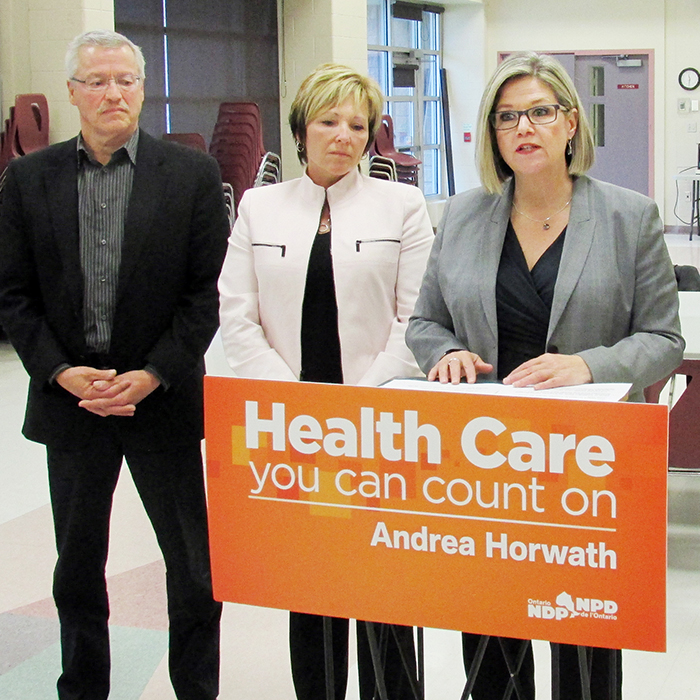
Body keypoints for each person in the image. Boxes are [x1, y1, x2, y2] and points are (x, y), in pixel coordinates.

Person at [406, 51, 684, 700]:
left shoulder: (628, 216)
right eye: (507, 117)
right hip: (490, 463)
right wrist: (443, 352)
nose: (523, 127)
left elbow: (665, 340)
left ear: (569, 123)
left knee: (585, 641)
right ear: (493, 133)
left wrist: (589, 364)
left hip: (587, 465)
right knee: (492, 635)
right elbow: (425, 323)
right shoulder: (463, 217)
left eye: (539, 111)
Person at [0, 30, 229, 700]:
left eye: (125, 80)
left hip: (163, 396)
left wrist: (155, 371)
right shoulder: (28, 179)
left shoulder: (191, 175)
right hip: (70, 401)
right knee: (76, 567)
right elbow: (12, 295)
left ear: (142, 87)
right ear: (71, 92)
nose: (112, 93)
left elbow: (204, 297)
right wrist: (58, 371)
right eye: (96, 81)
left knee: (193, 567)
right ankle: (83, 688)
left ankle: (197, 688)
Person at [218, 64, 434, 700]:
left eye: (358, 125)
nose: (344, 135)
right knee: (310, 586)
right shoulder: (260, 207)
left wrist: (358, 406)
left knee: (385, 582)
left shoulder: (402, 204)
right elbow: (238, 318)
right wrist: (295, 408)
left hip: (381, 427)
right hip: (293, 433)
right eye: (329, 121)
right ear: (301, 129)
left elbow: (417, 319)